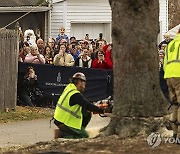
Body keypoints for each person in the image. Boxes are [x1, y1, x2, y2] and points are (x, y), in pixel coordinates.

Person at [53, 72, 106, 139]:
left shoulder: (69, 88)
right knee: (84, 135)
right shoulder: (75, 94)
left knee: (86, 112)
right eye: (84, 83)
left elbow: (85, 105)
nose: (84, 86)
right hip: (64, 121)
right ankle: (63, 134)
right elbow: (87, 105)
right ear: (80, 82)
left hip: (60, 118)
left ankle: (77, 130)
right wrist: (102, 110)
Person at [163, 29, 180, 140]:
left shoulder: (170, 44)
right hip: (179, 74)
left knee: (175, 103)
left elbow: (165, 62)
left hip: (168, 75)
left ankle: (174, 132)